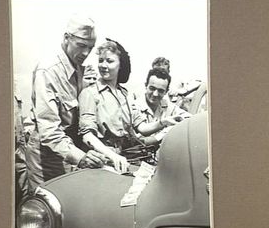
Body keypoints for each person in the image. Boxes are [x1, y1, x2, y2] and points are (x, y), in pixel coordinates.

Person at [25, 14, 107, 193]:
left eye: (90, 48)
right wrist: (81, 157)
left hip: (68, 154)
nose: (86, 53)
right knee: (47, 211)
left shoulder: (78, 67)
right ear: (66, 38)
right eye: (81, 46)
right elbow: (49, 131)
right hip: (45, 159)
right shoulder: (48, 71)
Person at [78, 39, 178, 173]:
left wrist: (163, 122)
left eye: (109, 61)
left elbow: (141, 127)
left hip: (129, 157)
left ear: (120, 65)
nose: (103, 65)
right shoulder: (89, 93)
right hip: (105, 161)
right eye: (101, 60)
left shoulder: (124, 94)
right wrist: (113, 156)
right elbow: (87, 135)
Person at [136, 68, 191, 146]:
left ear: (166, 91)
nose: (155, 94)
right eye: (152, 88)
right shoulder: (133, 107)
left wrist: (158, 137)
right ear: (146, 85)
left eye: (160, 91)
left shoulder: (168, 105)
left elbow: (188, 119)